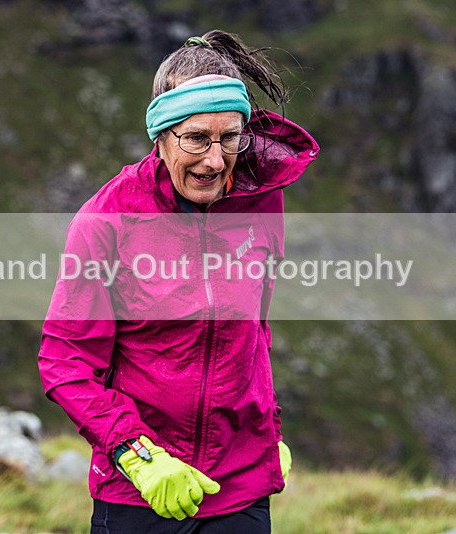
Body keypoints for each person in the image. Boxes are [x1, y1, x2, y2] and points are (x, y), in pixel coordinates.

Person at [38, 29, 318, 533]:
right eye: (196, 138)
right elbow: (66, 361)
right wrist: (134, 455)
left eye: (230, 137)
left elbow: (255, 328)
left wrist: (266, 427)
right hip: (141, 492)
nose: (215, 159)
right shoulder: (107, 219)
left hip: (240, 485)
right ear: (160, 135)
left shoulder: (263, 201)